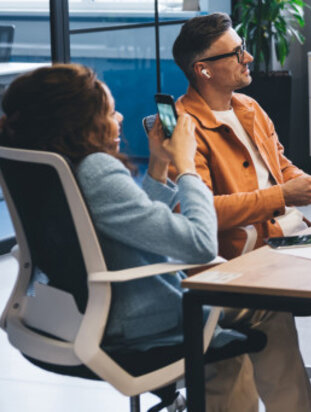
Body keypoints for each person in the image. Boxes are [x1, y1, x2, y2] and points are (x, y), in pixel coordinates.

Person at [0, 64, 258, 409]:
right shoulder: (96, 169)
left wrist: (157, 165)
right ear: (80, 122)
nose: (119, 117)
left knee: (231, 347)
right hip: (134, 323)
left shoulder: (45, 165)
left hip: (66, 315)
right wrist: (187, 167)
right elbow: (200, 245)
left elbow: (135, 226)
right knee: (266, 308)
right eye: (109, 111)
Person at [173, 13, 311, 411]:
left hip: (292, 239)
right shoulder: (185, 127)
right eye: (236, 52)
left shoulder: (248, 107)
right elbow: (202, 210)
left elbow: (280, 166)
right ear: (203, 70)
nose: (247, 58)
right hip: (253, 255)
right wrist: (283, 195)